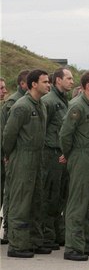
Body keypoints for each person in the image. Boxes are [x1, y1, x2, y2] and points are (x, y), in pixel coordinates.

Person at [59, 70, 89, 261]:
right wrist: (70, 154)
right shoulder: (77, 106)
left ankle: (86, 243)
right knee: (77, 203)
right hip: (79, 156)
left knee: (87, 204)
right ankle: (72, 247)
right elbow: (65, 135)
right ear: (88, 86)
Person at [3, 69, 50, 258]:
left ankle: (33, 241)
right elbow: (8, 135)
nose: (49, 84)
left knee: (36, 201)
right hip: (22, 158)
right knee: (21, 202)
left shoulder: (41, 105)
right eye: (45, 82)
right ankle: (17, 244)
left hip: (37, 158)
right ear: (33, 84)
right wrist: (10, 155)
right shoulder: (21, 106)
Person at [40, 67, 74, 249]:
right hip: (50, 154)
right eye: (68, 78)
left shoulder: (64, 101)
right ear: (58, 80)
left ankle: (56, 233)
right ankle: (46, 235)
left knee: (60, 195)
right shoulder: (49, 101)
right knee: (49, 195)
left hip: (61, 155)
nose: (72, 81)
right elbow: (42, 129)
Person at [1, 70, 29, 244]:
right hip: (8, 155)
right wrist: (7, 153)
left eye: (4, 88)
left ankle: (9, 230)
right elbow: (8, 132)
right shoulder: (14, 103)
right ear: (23, 84)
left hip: (6, 154)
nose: (4, 91)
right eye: (1, 88)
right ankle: (9, 230)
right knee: (10, 194)